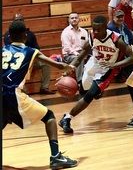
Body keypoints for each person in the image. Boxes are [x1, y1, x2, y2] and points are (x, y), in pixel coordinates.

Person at [2, 20, 78, 169]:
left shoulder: (3, 50)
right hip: (14, 94)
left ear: (9, 36)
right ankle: (56, 157)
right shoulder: (31, 51)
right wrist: (68, 67)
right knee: (49, 116)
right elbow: (57, 65)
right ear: (25, 35)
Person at [58, 15, 133, 133]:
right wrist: (69, 69)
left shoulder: (116, 39)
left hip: (107, 70)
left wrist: (114, 65)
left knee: (90, 95)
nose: (95, 31)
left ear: (106, 28)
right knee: (85, 91)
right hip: (92, 66)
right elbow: (81, 56)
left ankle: (67, 118)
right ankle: (97, 92)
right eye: (93, 29)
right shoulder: (91, 36)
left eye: (98, 29)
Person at [4, 13, 56, 94]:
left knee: (46, 64)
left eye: (21, 20)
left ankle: (44, 87)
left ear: (24, 21)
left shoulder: (30, 34)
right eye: (16, 20)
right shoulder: (8, 34)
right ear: (13, 22)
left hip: (32, 58)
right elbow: (10, 50)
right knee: (21, 66)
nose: (19, 22)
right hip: (17, 61)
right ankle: (20, 88)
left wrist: (31, 56)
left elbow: (37, 48)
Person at [61, 12, 89, 84]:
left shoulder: (84, 31)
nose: (74, 19)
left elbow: (87, 44)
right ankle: (80, 81)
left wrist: (84, 53)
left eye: (76, 18)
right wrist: (79, 54)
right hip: (69, 55)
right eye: (72, 18)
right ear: (69, 20)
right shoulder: (66, 32)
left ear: (79, 19)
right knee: (79, 58)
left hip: (82, 52)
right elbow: (67, 48)